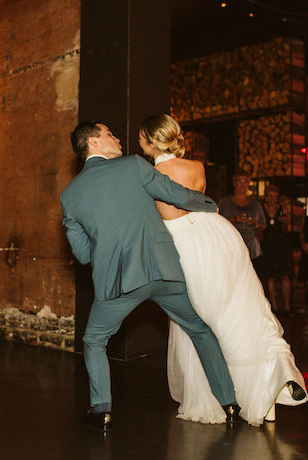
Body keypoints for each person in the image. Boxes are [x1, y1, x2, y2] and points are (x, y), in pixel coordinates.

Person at [60, 121, 241, 430]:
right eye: (109, 134)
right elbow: (177, 195)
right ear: (93, 143)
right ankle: (230, 403)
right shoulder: (134, 165)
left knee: (93, 340)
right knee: (199, 330)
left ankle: (102, 409)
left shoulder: (69, 196)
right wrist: (211, 206)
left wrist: (104, 241)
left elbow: (84, 255)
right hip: (163, 270)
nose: (117, 138)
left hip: (118, 282)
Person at [138, 114, 308, 426]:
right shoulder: (198, 168)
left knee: (201, 322)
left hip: (187, 247)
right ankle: (267, 388)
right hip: (220, 237)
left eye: (140, 137)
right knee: (241, 313)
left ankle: (226, 395)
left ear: (149, 141)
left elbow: (159, 217)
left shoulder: (151, 174)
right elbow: (201, 203)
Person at [259, 184, 293, 314]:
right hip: (268, 245)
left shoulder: (282, 209)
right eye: (270, 196)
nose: (273, 199)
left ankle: (287, 306)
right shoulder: (262, 209)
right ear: (266, 197)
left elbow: (287, 229)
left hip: (281, 245)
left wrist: (284, 221)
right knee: (270, 277)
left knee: (285, 276)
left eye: (275, 197)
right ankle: (274, 306)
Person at [219, 170, 266, 263]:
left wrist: (254, 223)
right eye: (239, 181)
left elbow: (263, 225)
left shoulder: (256, 205)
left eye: (245, 182)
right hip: (231, 248)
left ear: (248, 183)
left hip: (252, 250)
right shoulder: (225, 202)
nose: (242, 185)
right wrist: (234, 219)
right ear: (234, 183)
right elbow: (217, 222)